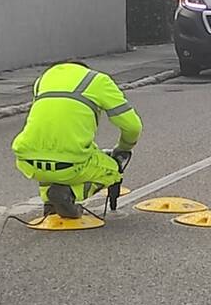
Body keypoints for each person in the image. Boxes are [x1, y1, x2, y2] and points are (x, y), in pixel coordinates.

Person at [12, 62, 142, 218]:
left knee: (49, 155)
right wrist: (124, 148)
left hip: (26, 159)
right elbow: (133, 126)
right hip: (71, 161)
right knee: (113, 170)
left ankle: (50, 203)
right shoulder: (98, 81)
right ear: (86, 69)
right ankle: (69, 194)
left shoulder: (44, 79)